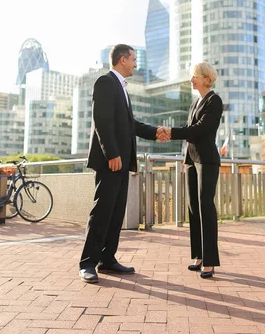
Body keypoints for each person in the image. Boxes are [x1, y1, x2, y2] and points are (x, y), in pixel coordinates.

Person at [79, 44, 168, 284]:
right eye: (133, 59)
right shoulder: (105, 82)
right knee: (102, 212)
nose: (135, 64)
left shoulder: (122, 88)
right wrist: (111, 154)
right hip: (111, 161)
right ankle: (87, 263)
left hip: (121, 161)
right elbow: (102, 121)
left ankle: (107, 258)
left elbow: (131, 124)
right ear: (121, 60)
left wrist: (155, 131)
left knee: (116, 212)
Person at [160, 61, 223, 279]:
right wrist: (177, 138)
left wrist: (171, 131)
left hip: (206, 160)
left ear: (206, 78)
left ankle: (210, 261)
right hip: (191, 160)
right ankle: (198, 256)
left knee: (206, 206)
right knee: (193, 208)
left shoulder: (214, 101)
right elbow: (190, 133)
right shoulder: (195, 102)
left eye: (195, 76)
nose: (191, 79)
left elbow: (200, 130)